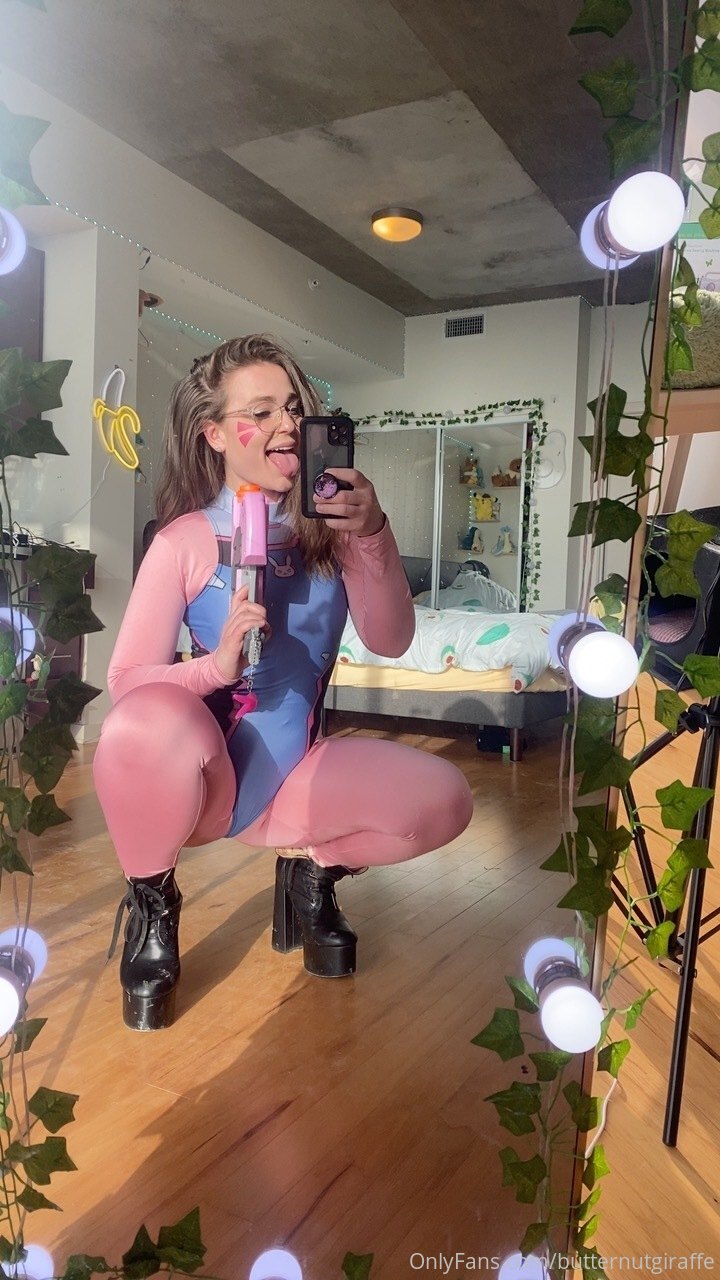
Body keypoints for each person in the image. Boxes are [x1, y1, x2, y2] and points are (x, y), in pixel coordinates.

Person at [94, 335, 474, 1031]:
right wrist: (214, 668)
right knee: (139, 724)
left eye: (294, 408)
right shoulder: (183, 541)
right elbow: (126, 682)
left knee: (445, 799)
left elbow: (391, 640)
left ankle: (311, 871)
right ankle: (153, 903)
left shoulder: (334, 533)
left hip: (300, 776)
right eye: (261, 411)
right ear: (214, 434)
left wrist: (373, 532)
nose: (288, 425)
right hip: (208, 782)